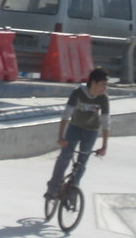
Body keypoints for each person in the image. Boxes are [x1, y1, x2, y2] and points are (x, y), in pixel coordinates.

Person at [45, 67, 110, 199]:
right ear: (93, 83)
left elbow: (105, 122)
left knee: (82, 162)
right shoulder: (78, 93)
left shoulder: (103, 98)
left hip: (91, 131)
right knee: (65, 156)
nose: (104, 88)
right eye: (102, 85)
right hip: (74, 128)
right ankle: (53, 188)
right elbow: (66, 114)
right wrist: (61, 137)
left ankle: (73, 190)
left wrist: (104, 146)